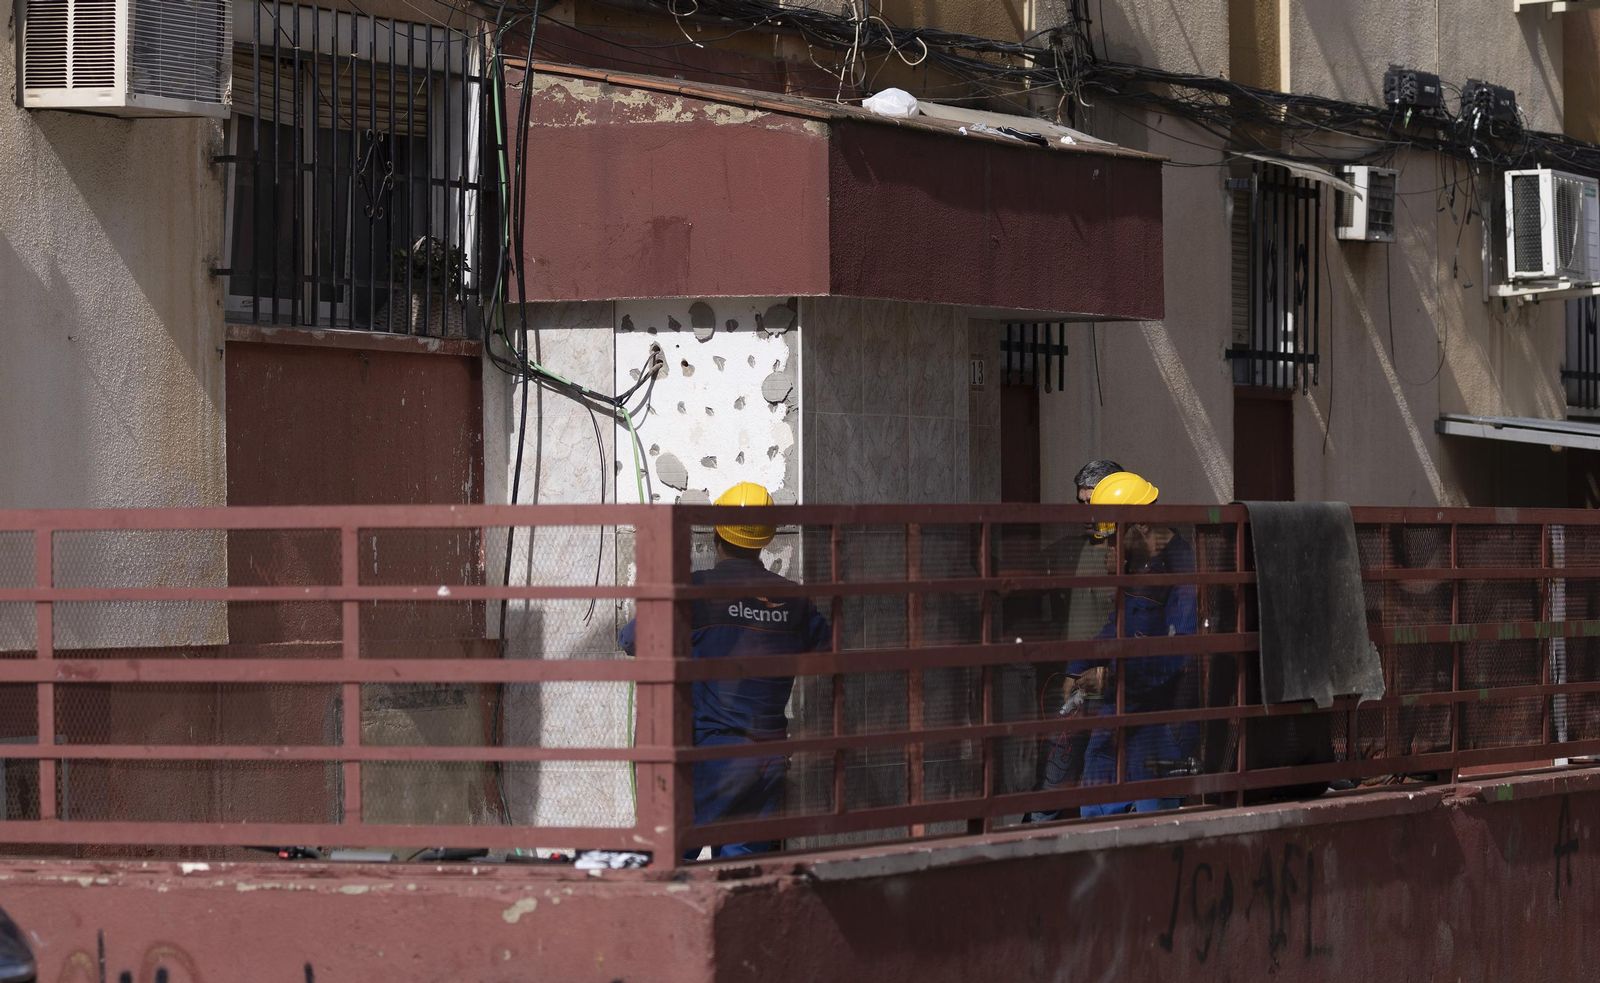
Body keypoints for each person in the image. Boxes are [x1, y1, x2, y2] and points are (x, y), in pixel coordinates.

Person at [619, 481, 829, 860]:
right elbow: (827, 651)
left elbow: (632, 639)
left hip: (707, 759)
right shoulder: (794, 600)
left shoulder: (696, 591)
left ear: (717, 533)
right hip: (765, 761)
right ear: (765, 540)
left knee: (673, 863)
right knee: (740, 875)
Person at [1068, 471, 1199, 817]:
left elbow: (1179, 652)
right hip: (1119, 710)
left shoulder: (1183, 568)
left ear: (1140, 525)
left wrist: (1112, 675)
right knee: (1096, 812)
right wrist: (1077, 667)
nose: (1111, 549)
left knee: (1152, 827)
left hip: (1162, 721)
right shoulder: (1138, 565)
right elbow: (1116, 626)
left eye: (1116, 539)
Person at [1026, 459, 1127, 823]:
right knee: (1052, 785)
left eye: (1093, 501)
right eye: (1081, 503)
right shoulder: (1075, 548)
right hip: (1075, 688)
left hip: (1108, 690)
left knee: (1101, 789)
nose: (1086, 512)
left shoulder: (1124, 553)